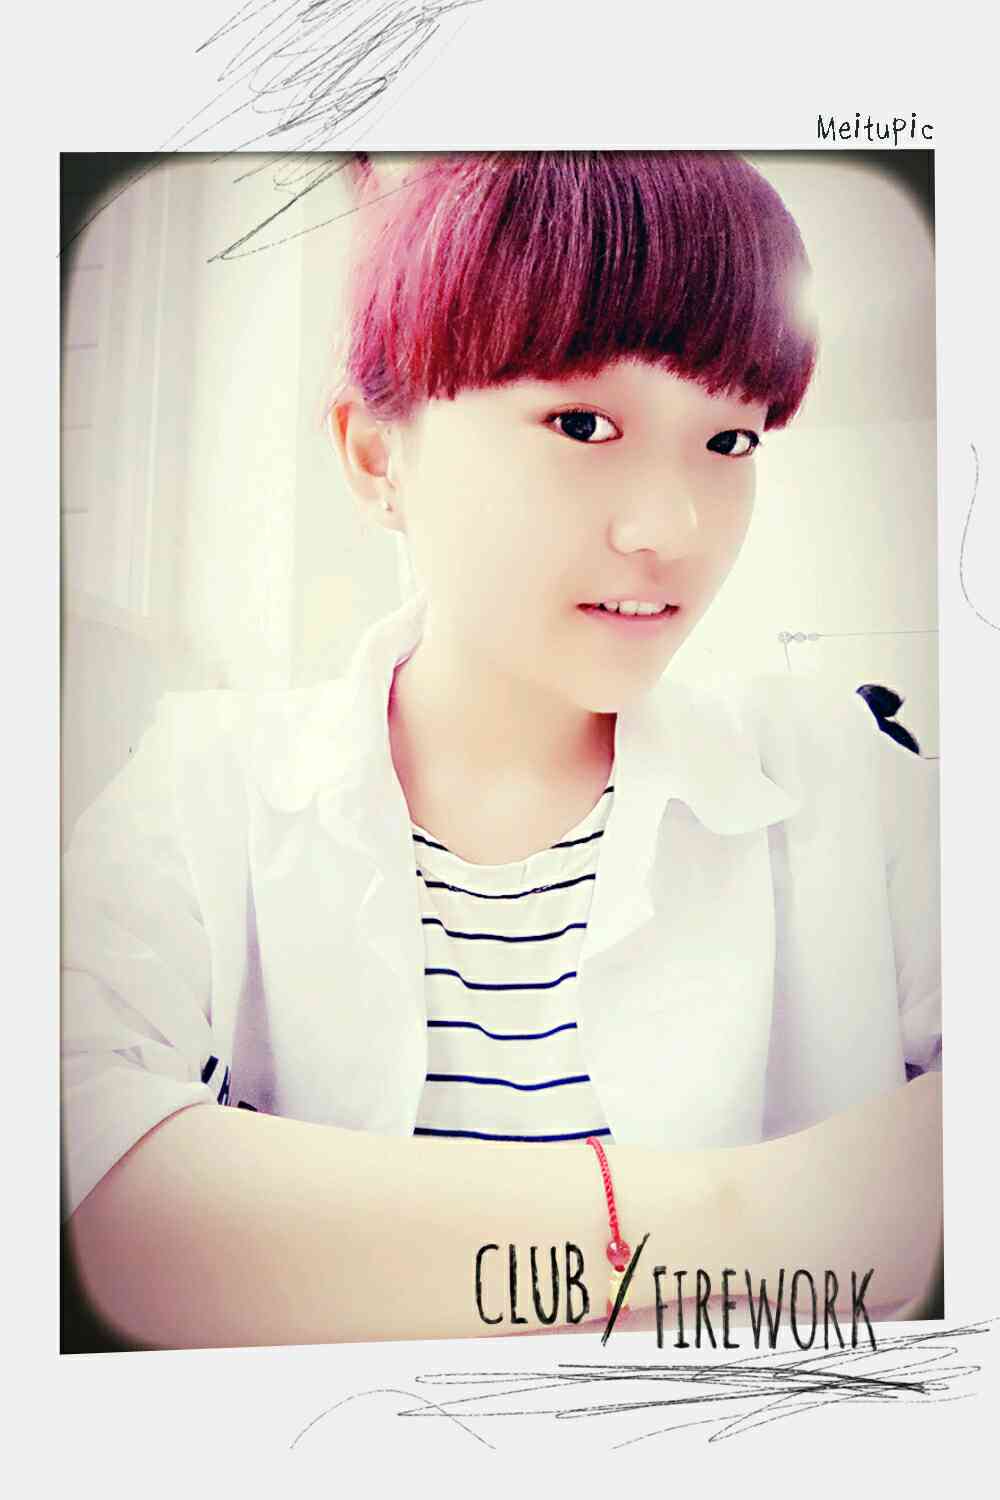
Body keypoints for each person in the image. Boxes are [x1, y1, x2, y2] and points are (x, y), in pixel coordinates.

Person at [62, 152, 942, 1351]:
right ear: (378, 459)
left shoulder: (847, 776)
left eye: (730, 441)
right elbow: (80, 1192)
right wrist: (757, 1210)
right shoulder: (204, 783)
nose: (671, 527)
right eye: (583, 423)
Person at [857, 683, 922, 755]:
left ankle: (912, 747)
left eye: (864, 692)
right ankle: (912, 747)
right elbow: (879, 715)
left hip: (889, 705)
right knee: (883, 726)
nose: (864, 694)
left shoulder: (875, 691)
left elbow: (887, 706)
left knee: (884, 725)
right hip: (887, 708)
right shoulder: (872, 697)